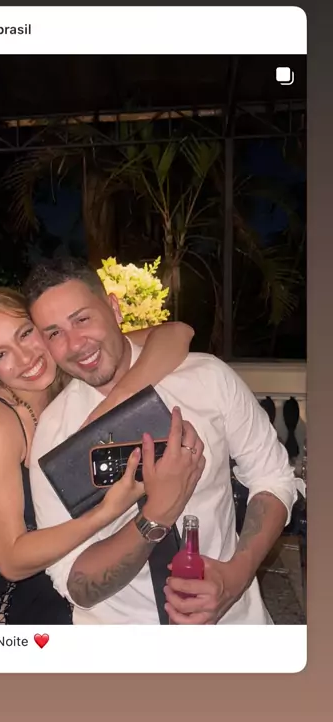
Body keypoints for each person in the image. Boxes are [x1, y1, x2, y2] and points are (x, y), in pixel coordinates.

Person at [26, 257, 298, 625]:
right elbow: (72, 578)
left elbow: (273, 477)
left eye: (82, 319)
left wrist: (237, 575)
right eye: (54, 333)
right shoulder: (55, 435)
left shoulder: (206, 378)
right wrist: (157, 514)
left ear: (113, 308)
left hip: (234, 625)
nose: (75, 344)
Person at [0, 286, 194, 625]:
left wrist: (111, 407)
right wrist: (105, 512)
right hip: (2, 602)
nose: (25, 358)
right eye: (0, 355)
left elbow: (177, 333)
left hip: (58, 584)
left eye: (25, 334)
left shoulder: (68, 366)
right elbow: (11, 560)